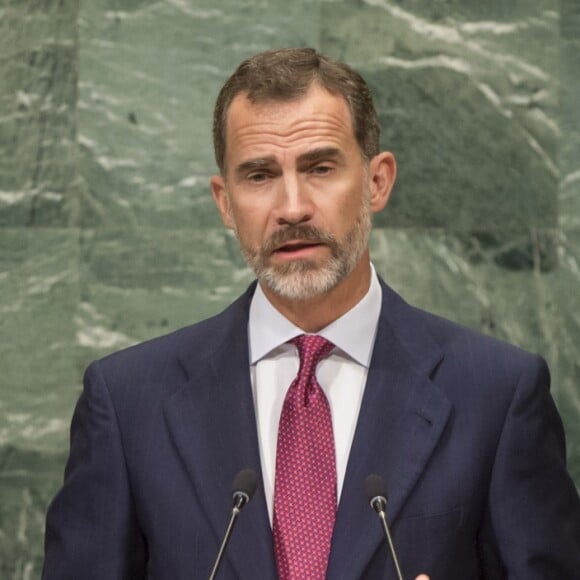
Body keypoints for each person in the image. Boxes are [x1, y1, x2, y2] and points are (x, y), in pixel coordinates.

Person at [42, 48, 580, 579]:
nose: (292, 206)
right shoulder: (128, 402)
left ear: (377, 181)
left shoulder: (498, 394)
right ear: (225, 203)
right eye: (258, 176)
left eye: (320, 168)